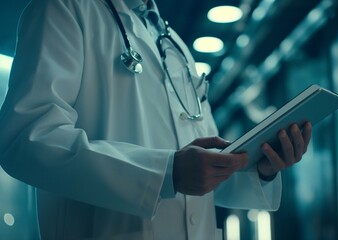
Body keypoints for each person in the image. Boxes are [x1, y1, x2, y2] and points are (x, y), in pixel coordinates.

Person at [0, 0, 312, 239]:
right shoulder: (64, 9)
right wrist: (165, 173)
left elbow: (207, 167)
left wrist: (262, 165)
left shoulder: (174, 45)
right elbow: (26, 137)